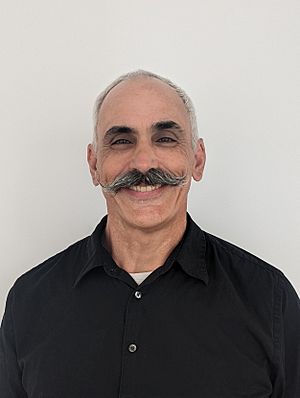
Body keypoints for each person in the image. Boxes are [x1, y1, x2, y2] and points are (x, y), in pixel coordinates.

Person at [1, 70, 299, 397]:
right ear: (94, 164)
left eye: (165, 138)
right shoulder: (28, 303)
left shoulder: (269, 300)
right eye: (122, 141)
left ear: (197, 160)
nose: (143, 162)